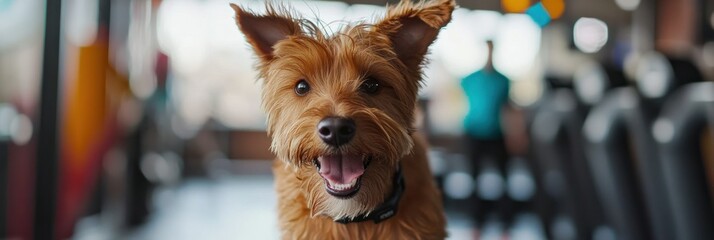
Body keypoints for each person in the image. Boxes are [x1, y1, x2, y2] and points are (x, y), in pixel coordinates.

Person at [461, 40, 511, 226]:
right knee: (474, 179)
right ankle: (476, 221)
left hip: (496, 134)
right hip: (473, 133)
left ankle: (505, 221)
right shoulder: (469, 79)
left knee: (503, 179)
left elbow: (508, 109)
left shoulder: (503, 80)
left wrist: (515, 135)